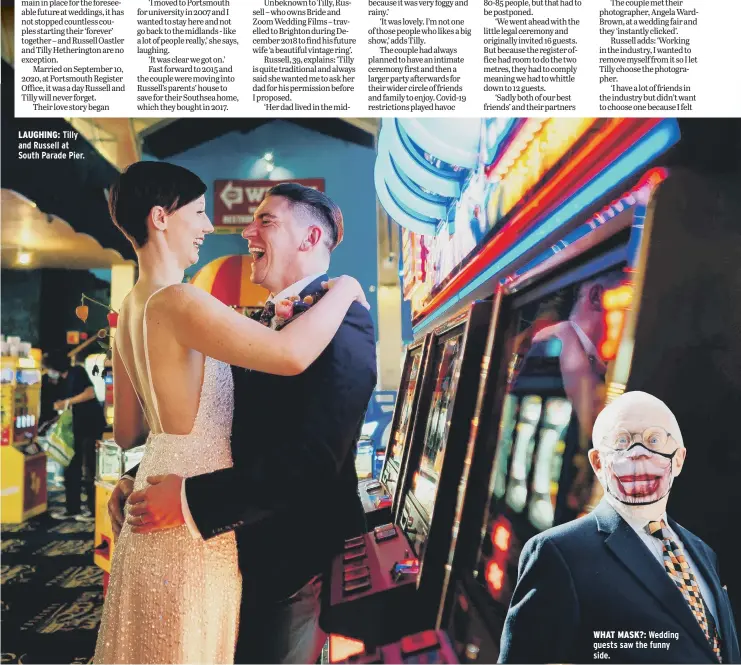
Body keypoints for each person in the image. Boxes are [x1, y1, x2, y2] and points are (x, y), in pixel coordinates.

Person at [93, 165, 370, 665]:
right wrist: (349, 285)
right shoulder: (190, 303)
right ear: (161, 219)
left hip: (278, 552)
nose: (225, 229)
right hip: (208, 533)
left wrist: (160, 480)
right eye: (200, 213)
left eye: (265, 221)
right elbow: (271, 371)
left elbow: (311, 459)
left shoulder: (340, 320)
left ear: (310, 236)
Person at [498, 391, 740, 664]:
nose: (638, 454)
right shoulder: (558, 553)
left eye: (654, 440)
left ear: (680, 459)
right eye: (621, 441)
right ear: (598, 463)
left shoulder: (702, 552)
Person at [44, 350, 106, 521]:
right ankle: (73, 508)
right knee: (71, 468)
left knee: (88, 469)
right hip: (75, 430)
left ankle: (93, 511)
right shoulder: (62, 381)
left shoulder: (77, 372)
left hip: (89, 427)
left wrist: (66, 402)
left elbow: (90, 393)